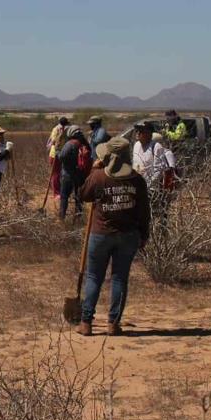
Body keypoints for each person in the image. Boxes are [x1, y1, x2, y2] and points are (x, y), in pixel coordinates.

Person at [75, 137, 150, 337]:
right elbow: (144, 212)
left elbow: (84, 195)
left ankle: (86, 322)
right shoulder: (136, 180)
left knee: (94, 277)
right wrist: (144, 235)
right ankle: (113, 324)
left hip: (100, 235)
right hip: (128, 236)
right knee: (119, 278)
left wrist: (93, 170)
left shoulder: (99, 177)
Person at [57, 125, 89, 220]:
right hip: (80, 174)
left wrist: (57, 151)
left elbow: (62, 157)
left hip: (67, 174)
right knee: (78, 196)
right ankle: (78, 216)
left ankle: (62, 217)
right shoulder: (85, 143)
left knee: (64, 196)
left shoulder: (70, 144)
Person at [132, 122, 167, 187]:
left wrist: (147, 186)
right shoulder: (136, 145)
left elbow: (158, 171)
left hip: (150, 188)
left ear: (149, 134)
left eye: (141, 131)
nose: (138, 133)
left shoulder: (156, 147)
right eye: (137, 131)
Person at [47, 116, 69, 198]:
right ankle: (56, 193)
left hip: (63, 154)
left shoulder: (67, 130)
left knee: (62, 173)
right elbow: (53, 141)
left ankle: (61, 190)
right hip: (54, 154)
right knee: (56, 174)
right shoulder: (56, 129)